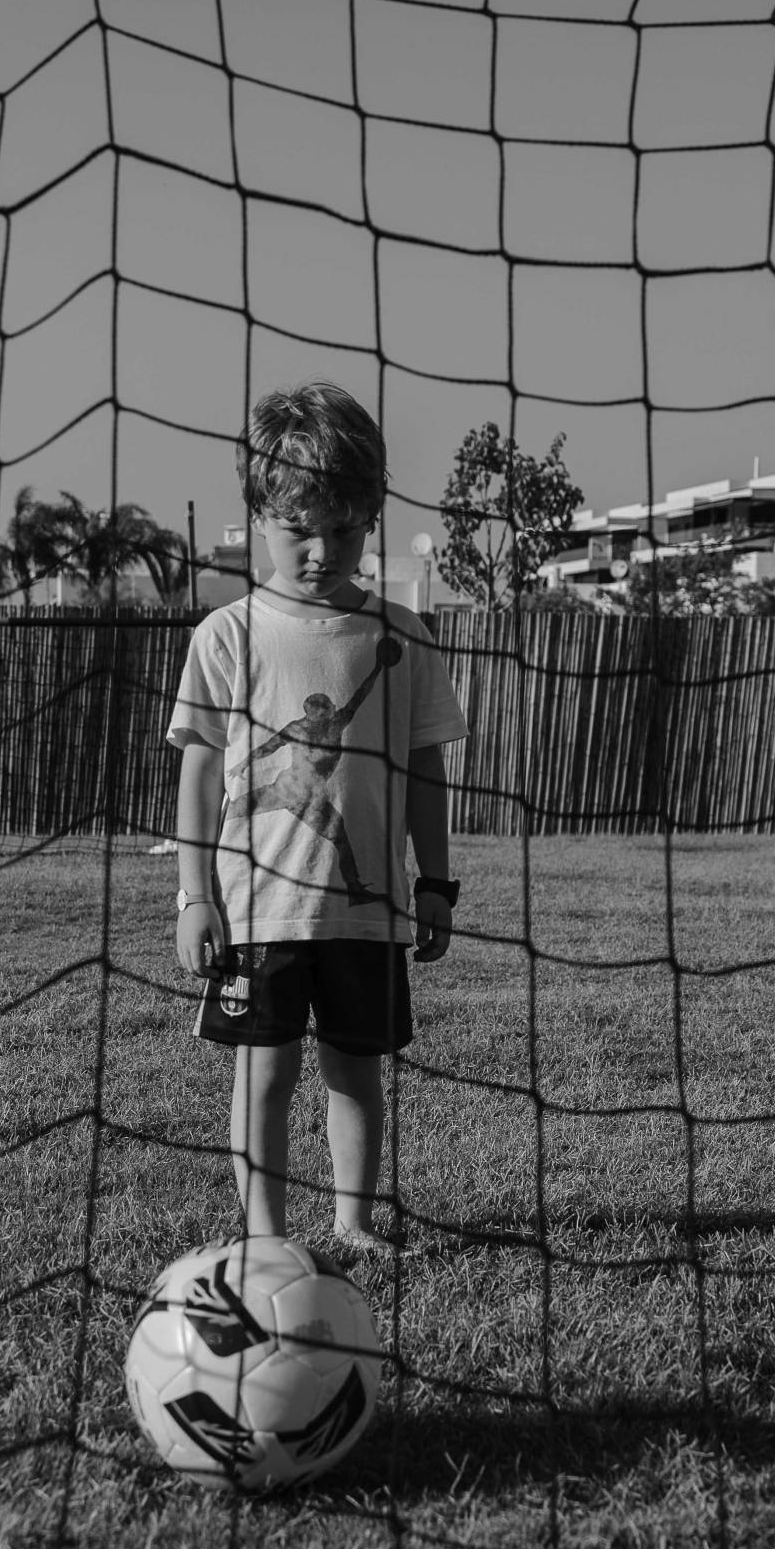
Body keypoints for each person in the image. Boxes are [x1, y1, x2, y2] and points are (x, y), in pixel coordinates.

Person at [167, 381, 469, 1254]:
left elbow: (424, 770)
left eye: (344, 529)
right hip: (255, 911)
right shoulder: (227, 635)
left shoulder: (400, 636)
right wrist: (195, 897)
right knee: (264, 1075)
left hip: (365, 916)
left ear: (371, 518)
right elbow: (202, 773)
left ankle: (354, 1221)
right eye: (299, 528)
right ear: (258, 514)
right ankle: (263, 1237)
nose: (321, 550)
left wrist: (436, 883)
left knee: (354, 1072)